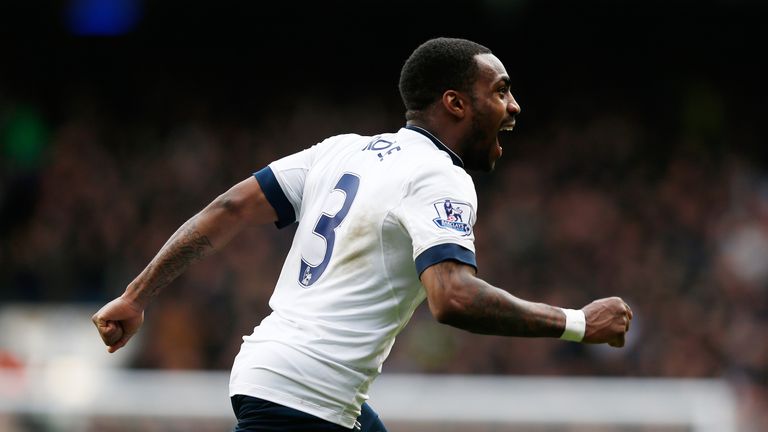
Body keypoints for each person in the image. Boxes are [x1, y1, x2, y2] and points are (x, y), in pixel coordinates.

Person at [92, 37, 633, 431]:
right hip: (303, 398)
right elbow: (453, 297)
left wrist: (134, 297)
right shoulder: (441, 176)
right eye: (501, 91)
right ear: (455, 103)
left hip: (287, 380)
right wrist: (578, 323)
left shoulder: (341, 150)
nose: (514, 106)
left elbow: (230, 207)